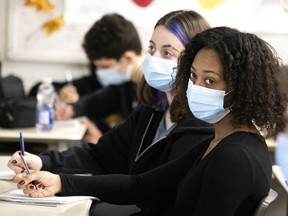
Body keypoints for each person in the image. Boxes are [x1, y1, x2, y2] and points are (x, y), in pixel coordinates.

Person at [13, 26, 288, 215]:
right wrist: (60, 182)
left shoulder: (234, 157)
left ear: (242, 89)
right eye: (193, 76)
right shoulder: (221, 141)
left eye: (210, 81)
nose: (196, 87)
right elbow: (140, 185)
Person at [9, 10, 213, 216]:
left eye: (167, 52)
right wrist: (44, 161)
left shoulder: (200, 123)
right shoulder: (152, 109)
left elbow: (144, 188)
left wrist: (62, 183)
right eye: (151, 48)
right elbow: (102, 154)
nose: (153, 58)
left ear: (194, 61)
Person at [30, 13, 144, 142]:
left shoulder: (156, 92)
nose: (99, 73)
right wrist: (70, 107)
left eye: (105, 67)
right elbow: (93, 102)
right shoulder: (123, 85)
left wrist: (102, 144)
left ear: (128, 58)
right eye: (96, 67)